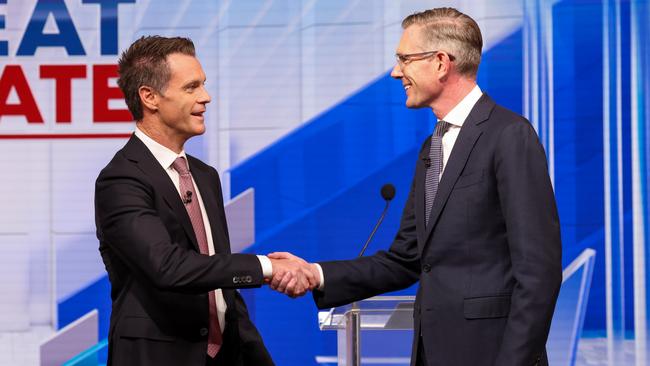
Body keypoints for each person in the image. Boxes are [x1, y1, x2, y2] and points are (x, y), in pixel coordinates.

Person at [270, 7, 562, 366]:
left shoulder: (509, 135)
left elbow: (538, 273)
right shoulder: (433, 146)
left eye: (404, 59)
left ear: (441, 63)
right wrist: (315, 273)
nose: (396, 72)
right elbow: (407, 260)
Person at [95, 36, 315, 366]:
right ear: (150, 97)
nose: (206, 97)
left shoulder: (204, 175)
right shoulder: (122, 179)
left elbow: (218, 282)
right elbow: (168, 267)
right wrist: (266, 267)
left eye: (204, 85)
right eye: (191, 87)